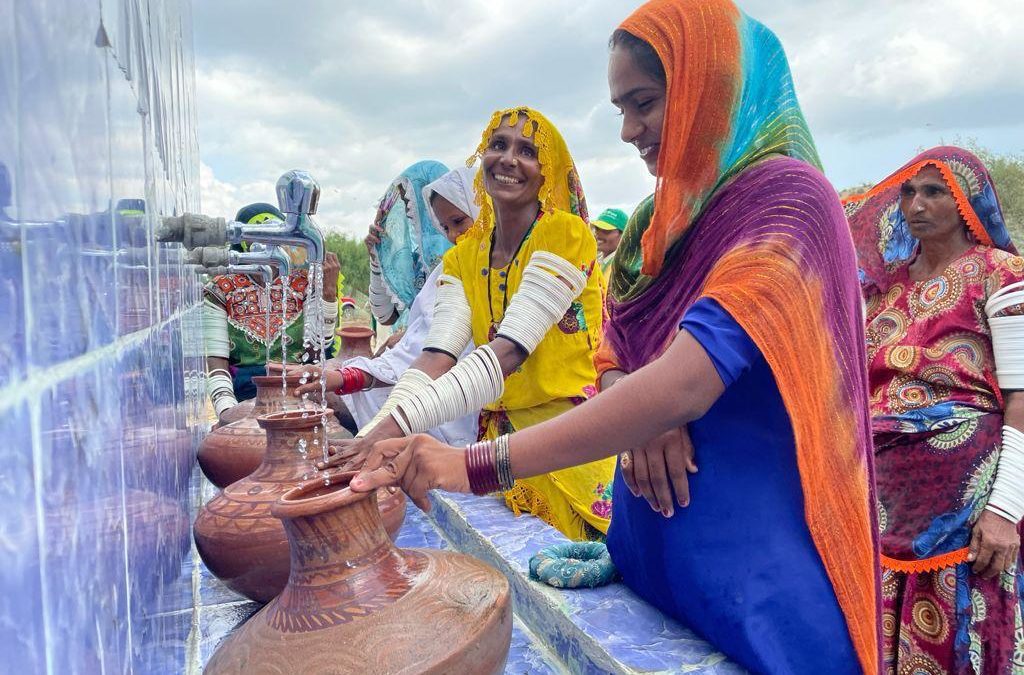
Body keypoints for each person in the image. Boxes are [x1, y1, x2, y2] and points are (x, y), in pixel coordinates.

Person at [346, 1, 880, 672]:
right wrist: (639, 408)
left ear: (707, 87)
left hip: (759, 597)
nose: (628, 130)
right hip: (657, 574)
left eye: (644, 103)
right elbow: (616, 351)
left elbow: (686, 378)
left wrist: (469, 464)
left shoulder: (788, 203)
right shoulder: (659, 222)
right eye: (620, 109)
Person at [326, 106, 615, 542]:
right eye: (497, 145)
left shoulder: (565, 235)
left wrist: (391, 428)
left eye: (528, 151)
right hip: (497, 449)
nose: (508, 158)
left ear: (547, 171)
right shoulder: (463, 257)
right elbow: (436, 355)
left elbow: (508, 351)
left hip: (564, 445)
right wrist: (372, 435)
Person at [846, 146, 1024, 673]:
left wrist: (1004, 511)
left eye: (934, 191)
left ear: (967, 200)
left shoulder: (1002, 275)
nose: (915, 204)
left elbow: (1021, 397)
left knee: (959, 641)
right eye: (907, 191)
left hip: (966, 515)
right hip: (883, 507)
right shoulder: (882, 292)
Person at [290, 166, 481, 448]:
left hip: (473, 395)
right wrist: (376, 260)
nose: (452, 235)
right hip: (423, 367)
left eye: (458, 222)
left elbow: (444, 352)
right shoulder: (452, 268)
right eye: (445, 227)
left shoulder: (491, 264)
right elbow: (409, 336)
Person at [202, 202, 340, 421]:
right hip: (247, 393)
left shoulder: (305, 281)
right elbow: (216, 363)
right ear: (242, 240)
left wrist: (328, 293)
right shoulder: (220, 289)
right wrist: (227, 413)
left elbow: (317, 352)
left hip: (301, 389)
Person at [365, 161, 450, 330]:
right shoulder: (416, 261)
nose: (408, 213)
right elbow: (385, 316)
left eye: (411, 202)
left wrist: (408, 338)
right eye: (404, 204)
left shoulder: (464, 253)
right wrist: (377, 256)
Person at [591, 207, 628, 273]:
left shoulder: (623, 268)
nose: (598, 234)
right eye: (597, 228)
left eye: (606, 230)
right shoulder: (596, 260)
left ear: (623, 235)